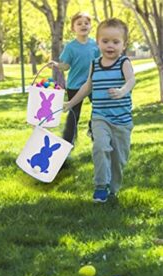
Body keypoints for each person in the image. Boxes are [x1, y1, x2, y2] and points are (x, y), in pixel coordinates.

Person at [63, 18, 135, 203]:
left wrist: (122, 90)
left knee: (119, 159)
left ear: (123, 44)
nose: (110, 45)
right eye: (105, 41)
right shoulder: (95, 64)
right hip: (100, 118)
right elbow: (87, 87)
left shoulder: (123, 62)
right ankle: (101, 186)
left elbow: (131, 81)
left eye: (115, 42)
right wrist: (70, 103)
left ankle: (113, 189)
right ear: (98, 41)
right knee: (100, 147)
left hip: (122, 120)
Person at [50, 12, 100, 145]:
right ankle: (68, 141)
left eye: (86, 23)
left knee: (99, 108)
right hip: (75, 85)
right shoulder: (70, 47)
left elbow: (101, 62)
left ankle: (93, 129)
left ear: (90, 26)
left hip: (93, 84)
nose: (83, 25)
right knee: (73, 114)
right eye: (79, 23)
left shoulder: (95, 45)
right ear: (73, 28)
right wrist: (56, 65)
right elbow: (66, 66)